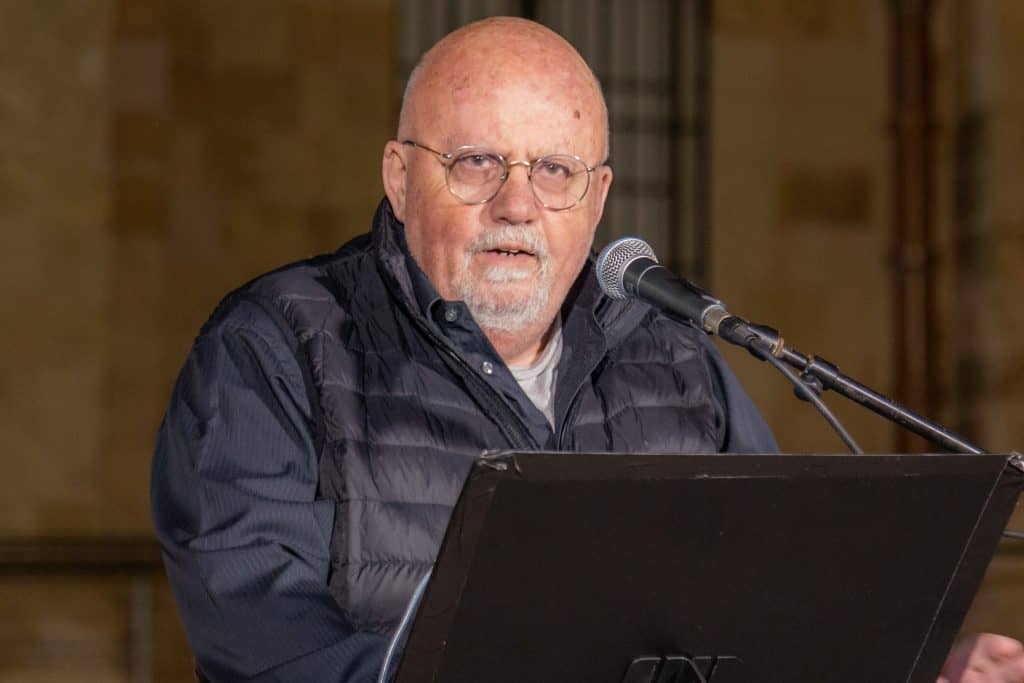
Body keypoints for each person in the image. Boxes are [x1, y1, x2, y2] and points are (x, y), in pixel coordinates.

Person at [151, 17, 1024, 683]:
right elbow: (266, 644)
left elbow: (777, 611)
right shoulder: (274, 349)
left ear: (598, 198)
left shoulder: (679, 361)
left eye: (555, 170)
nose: (517, 204)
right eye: (476, 162)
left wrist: (912, 667)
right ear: (399, 177)